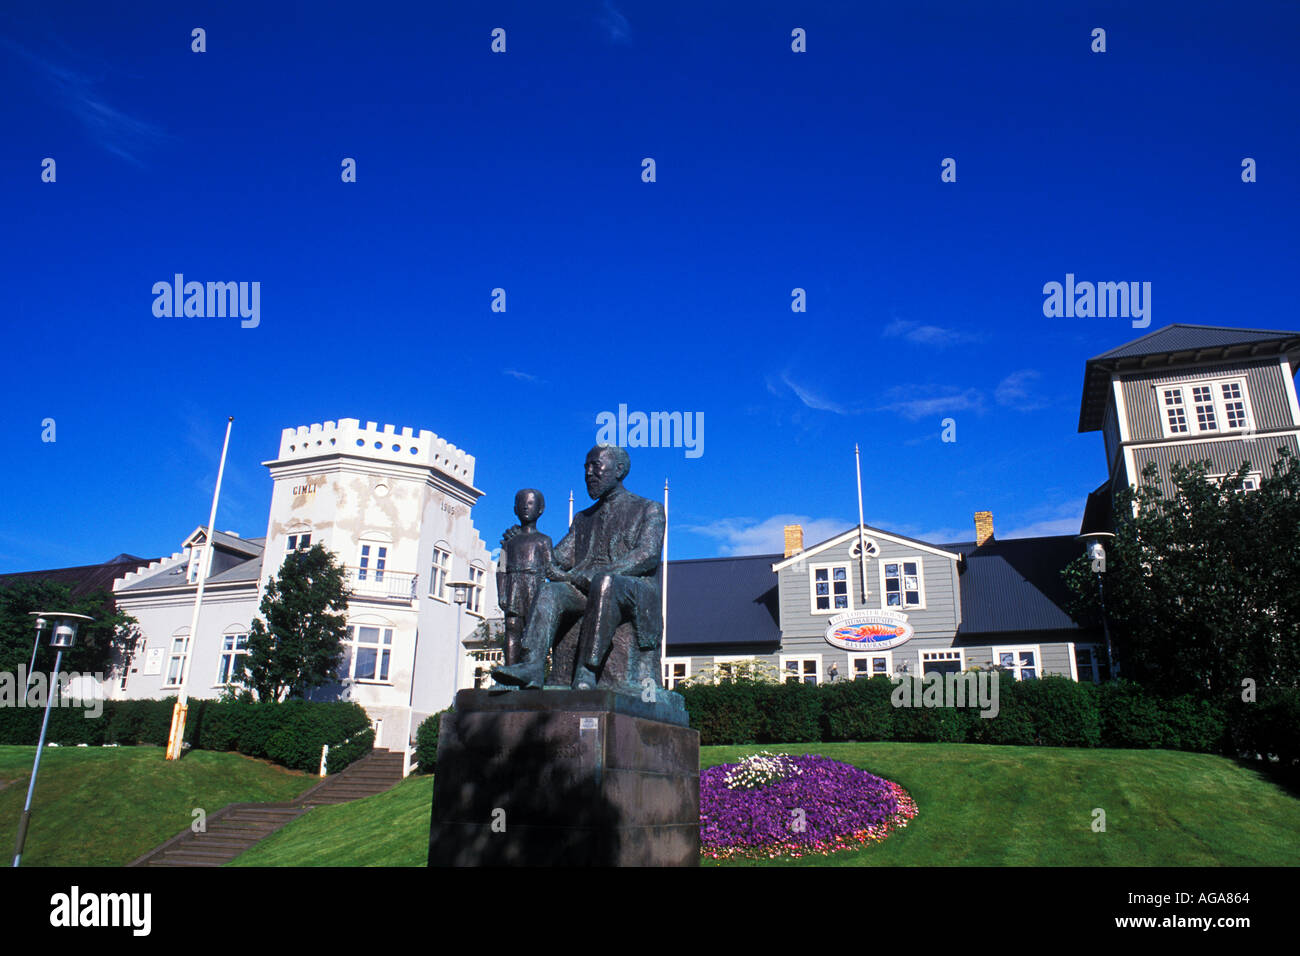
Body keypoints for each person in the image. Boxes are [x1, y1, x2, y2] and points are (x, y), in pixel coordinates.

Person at [492, 445, 664, 691]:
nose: (589, 473)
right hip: (585, 588)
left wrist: (597, 575)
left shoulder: (648, 508)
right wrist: (523, 538)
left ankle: (587, 670)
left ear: (619, 470)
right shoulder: (583, 518)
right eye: (586, 467)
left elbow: (647, 555)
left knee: (604, 583)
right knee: (551, 592)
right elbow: (557, 558)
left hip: (632, 589)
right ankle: (532, 666)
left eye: (596, 466)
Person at [496, 489, 552, 667]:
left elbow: (551, 568)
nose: (525, 507)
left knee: (533, 630)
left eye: (530, 503)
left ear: (540, 509)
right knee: (512, 627)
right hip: (514, 585)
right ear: (515, 509)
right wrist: (501, 594)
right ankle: (510, 671)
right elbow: (501, 569)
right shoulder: (509, 542)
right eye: (522, 503)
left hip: (534, 586)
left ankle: (531, 671)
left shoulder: (544, 540)